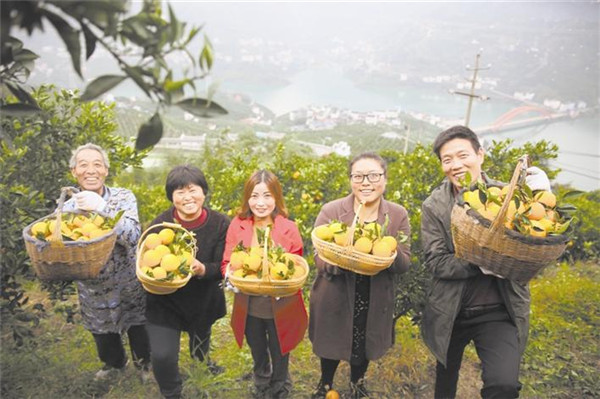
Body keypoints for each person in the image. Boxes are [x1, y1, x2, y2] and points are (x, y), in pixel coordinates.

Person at [420, 125, 551, 399]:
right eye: (447, 159)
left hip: (498, 310)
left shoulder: (508, 197)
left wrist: (540, 201)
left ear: (480, 154)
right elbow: (435, 261)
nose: (456, 165)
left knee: (503, 386)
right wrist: (479, 263)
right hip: (451, 309)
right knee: (445, 381)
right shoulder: (434, 206)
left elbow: (534, 245)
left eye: (463, 155)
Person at [309, 152, 412, 399]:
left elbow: (404, 262)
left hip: (374, 292)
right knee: (332, 339)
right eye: (358, 176)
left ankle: (357, 384)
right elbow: (318, 254)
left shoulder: (397, 215)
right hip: (336, 291)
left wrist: (389, 252)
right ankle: (325, 383)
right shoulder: (332, 210)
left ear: (385, 180)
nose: (366, 182)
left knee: (363, 341)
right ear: (351, 180)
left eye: (373, 175)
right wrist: (338, 262)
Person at [63, 143, 151, 381]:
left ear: (106, 171)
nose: (91, 170)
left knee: (138, 324)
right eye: (83, 165)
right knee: (102, 328)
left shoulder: (123, 197)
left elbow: (132, 236)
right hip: (93, 283)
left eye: (97, 164)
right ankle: (114, 365)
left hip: (127, 279)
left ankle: (145, 364)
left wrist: (103, 209)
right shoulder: (68, 207)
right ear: (74, 172)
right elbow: (64, 246)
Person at [221, 170, 308, 399]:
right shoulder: (237, 225)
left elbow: (296, 264)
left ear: (276, 198)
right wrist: (230, 278)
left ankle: (280, 384)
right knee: (257, 346)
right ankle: (261, 379)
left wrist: (285, 284)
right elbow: (227, 262)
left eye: (267, 196)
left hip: (280, 305)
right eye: (255, 196)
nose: (260, 203)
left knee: (281, 348)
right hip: (249, 305)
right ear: (247, 199)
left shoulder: (289, 228)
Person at [145, 165, 230, 399]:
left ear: (204, 192)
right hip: (165, 302)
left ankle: (202, 364)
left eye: (193, 190)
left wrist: (203, 269)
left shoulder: (221, 223)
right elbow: (146, 262)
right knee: (162, 355)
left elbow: (225, 264)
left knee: (200, 340)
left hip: (203, 299)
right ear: (171, 197)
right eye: (180, 192)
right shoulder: (160, 225)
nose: (187, 197)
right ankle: (172, 392)